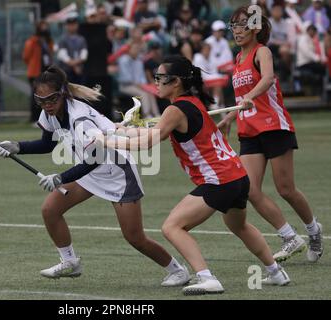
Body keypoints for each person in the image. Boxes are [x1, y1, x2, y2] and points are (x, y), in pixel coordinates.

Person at [97, 55, 291, 295]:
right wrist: (125, 131)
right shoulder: (191, 102)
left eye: (159, 78)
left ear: (175, 82)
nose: (155, 82)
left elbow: (150, 142)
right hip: (237, 177)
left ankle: (207, 278)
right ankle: (276, 272)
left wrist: (109, 142)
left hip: (218, 179)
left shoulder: (175, 109)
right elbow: (156, 132)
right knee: (238, 225)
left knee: (172, 227)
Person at [0, 65, 190, 286]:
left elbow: (95, 159)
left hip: (117, 172)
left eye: (51, 99)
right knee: (50, 209)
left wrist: (60, 177)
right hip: (89, 171)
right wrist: (16, 146)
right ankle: (70, 262)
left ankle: (177, 270)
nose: (46, 105)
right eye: (40, 100)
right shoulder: (50, 112)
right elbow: (47, 144)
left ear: (63, 94)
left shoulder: (80, 120)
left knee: (134, 237)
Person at [218, 6, 323, 263]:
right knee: (250, 190)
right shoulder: (237, 58)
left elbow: (266, 79)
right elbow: (242, 99)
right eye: (234, 25)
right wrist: (229, 118)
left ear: (254, 27)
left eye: (242, 25)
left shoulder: (261, 51)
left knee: (285, 189)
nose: (237, 31)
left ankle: (313, 229)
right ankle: (289, 237)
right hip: (249, 131)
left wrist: (251, 97)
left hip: (274, 126)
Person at [22, 21, 54, 123]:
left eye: (46, 26)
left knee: (47, 95)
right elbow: (26, 56)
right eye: (43, 26)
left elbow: (51, 53)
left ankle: (46, 118)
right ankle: (35, 118)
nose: (45, 29)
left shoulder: (49, 41)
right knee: (36, 96)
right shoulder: (32, 41)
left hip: (46, 72)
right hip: (35, 73)